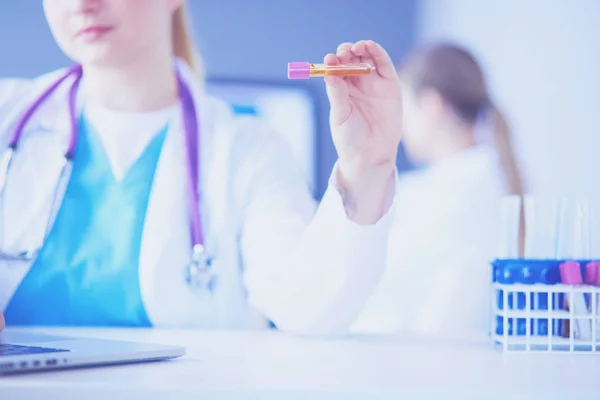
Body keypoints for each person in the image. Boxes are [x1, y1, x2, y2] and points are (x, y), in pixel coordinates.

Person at [0, 1, 403, 334]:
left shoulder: (246, 149)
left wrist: (365, 164)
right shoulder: (7, 116)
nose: (83, 4)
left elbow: (309, 309)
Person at [351, 42, 524, 336]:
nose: (400, 124)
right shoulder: (493, 181)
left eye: (404, 106)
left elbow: (373, 292)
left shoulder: (441, 196)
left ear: (432, 106)